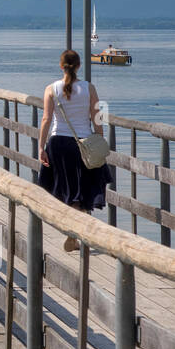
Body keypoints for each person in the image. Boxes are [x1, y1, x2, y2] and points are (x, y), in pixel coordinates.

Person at [36, 49, 113, 252]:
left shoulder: (51, 89)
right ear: (78, 66)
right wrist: (100, 140)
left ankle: (72, 232)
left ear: (61, 66)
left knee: (64, 190)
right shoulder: (89, 88)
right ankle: (76, 233)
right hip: (83, 144)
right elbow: (97, 116)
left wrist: (41, 147)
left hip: (58, 144)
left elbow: (46, 119)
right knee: (81, 191)